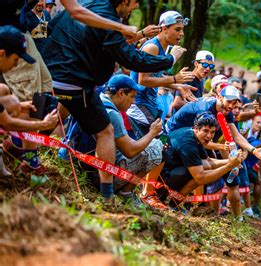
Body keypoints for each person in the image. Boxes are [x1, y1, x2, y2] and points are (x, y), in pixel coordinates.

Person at [42, 0, 187, 200]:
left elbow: (51, 26)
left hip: (54, 74)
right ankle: (107, 192)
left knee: (61, 112)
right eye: (135, 2)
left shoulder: (89, 4)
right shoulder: (109, 20)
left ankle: (35, 150)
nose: (136, 7)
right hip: (76, 81)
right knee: (106, 132)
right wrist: (170, 60)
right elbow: (132, 60)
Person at [100, 74, 166, 209]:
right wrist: (152, 133)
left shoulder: (100, 101)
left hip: (91, 167)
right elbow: (130, 151)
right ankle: (126, 191)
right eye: (132, 96)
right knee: (156, 147)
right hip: (102, 176)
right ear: (120, 93)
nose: (134, 102)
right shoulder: (113, 114)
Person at [0, 25, 58, 177]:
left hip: (20, 28)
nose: (15, 64)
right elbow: (6, 122)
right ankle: (21, 151)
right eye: (15, 60)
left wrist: (19, 105)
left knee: (10, 98)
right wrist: (43, 124)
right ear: (2, 54)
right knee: (16, 102)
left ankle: (15, 148)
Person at [128, 10, 195, 137]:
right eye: (177, 29)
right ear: (164, 28)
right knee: (160, 146)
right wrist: (175, 79)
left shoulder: (163, 48)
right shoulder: (152, 48)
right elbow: (143, 80)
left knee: (162, 147)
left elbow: (156, 76)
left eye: (182, 30)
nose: (181, 34)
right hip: (139, 105)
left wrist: (177, 86)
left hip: (150, 105)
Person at [158, 113, 244, 203]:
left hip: (169, 172)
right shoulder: (188, 143)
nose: (209, 136)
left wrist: (230, 161)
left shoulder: (194, 135)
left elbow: (208, 161)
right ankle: (173, 203)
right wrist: (229, 166)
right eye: (206, 131)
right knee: (199, 175)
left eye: (212, 132)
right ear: (196, 128)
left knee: (205, 166)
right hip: (162, 179)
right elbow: (201, 178)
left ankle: (173, 202)